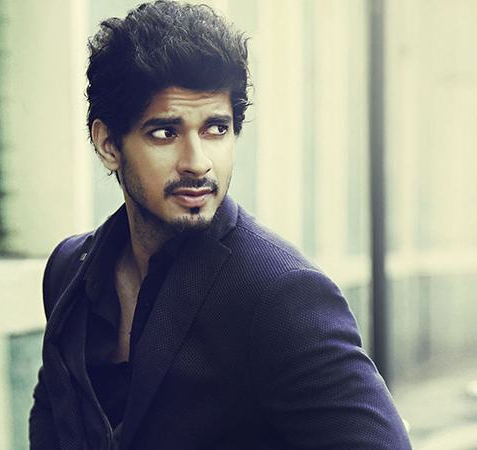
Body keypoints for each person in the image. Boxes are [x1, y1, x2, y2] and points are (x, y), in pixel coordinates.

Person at [29, 1, 413, 449]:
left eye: (215, 129)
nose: (197, 162)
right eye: (165, 133)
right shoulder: (69, 270)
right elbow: (55, 419)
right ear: (109, 144)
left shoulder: (280, 294)